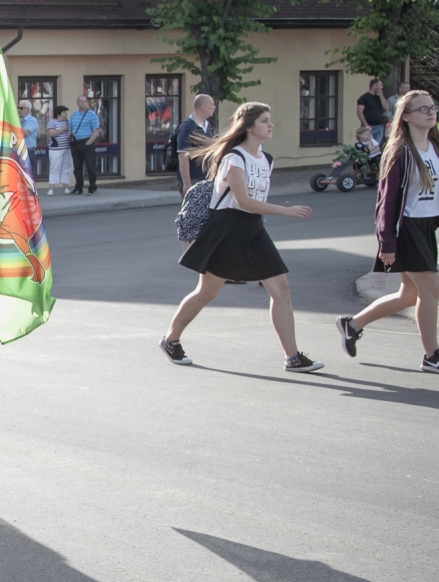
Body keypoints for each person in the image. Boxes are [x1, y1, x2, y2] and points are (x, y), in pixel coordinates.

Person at [162, 102, 322, 373]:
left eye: (270, 119)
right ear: (249, 126)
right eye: (264, 120)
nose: (270, 125)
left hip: (253, 229)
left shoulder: (266, 159)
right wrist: (287, 210)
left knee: (281, 287)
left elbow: (255, 204)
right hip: (227, 229)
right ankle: (170, 339)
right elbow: (243, 201)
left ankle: (292, 356)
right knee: (207, 292)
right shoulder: (234, 158)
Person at [337, 90, 439, 372]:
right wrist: (387, 243)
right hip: (406, 229)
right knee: (431, 290)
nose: (431, 112)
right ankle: (432, 355)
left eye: (432, 108)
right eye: (423, 109)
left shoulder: (434, 146)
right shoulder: (400, 152)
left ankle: (352, 324)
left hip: (427, 227)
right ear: (405, 116)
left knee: (409, 295)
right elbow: (386, 200)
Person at [176, 94, 217, 195]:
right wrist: (187, 183)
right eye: (212, 104)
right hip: (194, 179)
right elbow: (183, 156)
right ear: (203, 107)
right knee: (192, 210)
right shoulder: (187, 126)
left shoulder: (206, 126)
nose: (214, 107)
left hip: (206, 178)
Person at [67, 95, 101, 195]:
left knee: (90, 166)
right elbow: (70, 129)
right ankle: (78, 188)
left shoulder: (92, 115)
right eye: (80, 101)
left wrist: (88, 143)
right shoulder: (73, 115)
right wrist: (69, 139)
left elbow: (96, 130)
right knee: (77, 167)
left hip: (87, 143)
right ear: (77, 103)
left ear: (87, 103)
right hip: (75, 144)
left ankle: (92, 188)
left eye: (84, 101)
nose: (82, 103)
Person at [45, 107, 72, 195]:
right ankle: (51, 189)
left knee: (66, 168)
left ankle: (66, 188)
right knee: (54, 168)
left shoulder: (68, 121)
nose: (66, 114)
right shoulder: (52, 122)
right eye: (64, 112)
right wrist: (63, 129)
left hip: (67, 148)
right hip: (55, 150)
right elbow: (51, 133)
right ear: (58, 114)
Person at [357, 78, 389, 146]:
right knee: (368, 145)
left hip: (379, 126)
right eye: (380, 85)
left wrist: (381, 95)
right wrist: (366, 125)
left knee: (377, 146)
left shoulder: (379, 98)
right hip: (368, 127)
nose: (382, 87)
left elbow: (386, 107)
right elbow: (359, 112)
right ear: (374, 86)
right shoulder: (364, 98)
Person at [17, 102, 40, 177]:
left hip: (28, 150)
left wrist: (13, 126)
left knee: (28, 174)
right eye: (18, 108)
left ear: (28, 110)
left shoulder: (32, 120)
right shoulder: (20, 120)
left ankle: (29, 189)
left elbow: (26, 132)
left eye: (21, 108)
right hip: (18, 150)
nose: (18, 110)